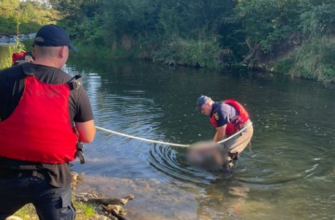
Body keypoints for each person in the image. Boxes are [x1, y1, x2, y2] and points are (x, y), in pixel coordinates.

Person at [0, 24, 96, 220]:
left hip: (7, 174)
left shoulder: (5, 78)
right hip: (52, 179)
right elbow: (88, 136)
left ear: (34, 49)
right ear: (62, 51)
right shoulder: (74, 88)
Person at [194, 95, 253, 171]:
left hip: (244, 129)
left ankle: (227, 178)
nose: (202, 112)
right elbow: (219, 132)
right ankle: (225, 168)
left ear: (208, 104)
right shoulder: (216, 111)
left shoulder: (220, 111)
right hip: (234, 130)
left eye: (202, 109)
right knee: (217, 151)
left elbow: (221, 134)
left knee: (225, 154)